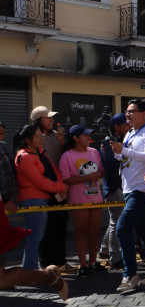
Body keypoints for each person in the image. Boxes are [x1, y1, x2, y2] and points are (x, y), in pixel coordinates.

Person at [109, 98, 145, 294]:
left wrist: (124, 150)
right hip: (129, 187)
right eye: (126, 111)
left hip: (142, 188)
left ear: (144, 113)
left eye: (132, 111)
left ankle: (130, 274)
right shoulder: (131, 133)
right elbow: (127, 157)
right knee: (144, 231)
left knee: (123, 227)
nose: (128, 114)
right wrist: (117, 153)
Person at [13, 124, 68, 271]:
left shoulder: (39, 152)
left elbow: (54, 171)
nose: (42, 139)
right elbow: (39, 181)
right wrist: (61, 187)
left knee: (38, 236)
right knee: (35, 237)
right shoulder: (24, 157)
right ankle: (30, 271)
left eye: (42, 136)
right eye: (38, 136)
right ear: (28, 140)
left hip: (44, 198)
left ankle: (31, 270)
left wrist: (59, 186)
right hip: (32, 200)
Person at [30, 106, 74, 274]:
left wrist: (62, 141)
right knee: (46, 229)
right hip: (43, 189)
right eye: (47, 118)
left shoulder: (57, 136)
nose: (51, 120)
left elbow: (65, 158)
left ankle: (61, 262)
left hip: (60, 188)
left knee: (61, 224)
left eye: (52, 118)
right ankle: (47, 265)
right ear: (37, 120)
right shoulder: (31, 139)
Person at [59, 125, 106, 278]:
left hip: (96, 198)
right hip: (78, 199)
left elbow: (102, 170)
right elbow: (66, 179)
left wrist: (99, 174)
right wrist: (85, 178)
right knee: (81, 232)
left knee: (95, 232)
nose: (88, 138)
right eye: (85, 135)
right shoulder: (67, 155)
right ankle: (83, 265)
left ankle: (93, 262)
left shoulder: (94, 152)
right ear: (76, 138)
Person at [99, 113, 130, 269]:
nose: (129, 125)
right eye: (126, 124)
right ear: (118, 126)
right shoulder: (108, 142)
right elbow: (111, 167)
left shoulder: (126, 140)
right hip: (114, 187)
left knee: (116, 221)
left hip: (124, 186)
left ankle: (104, 249)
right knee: (116, 222)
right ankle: (115, 257)